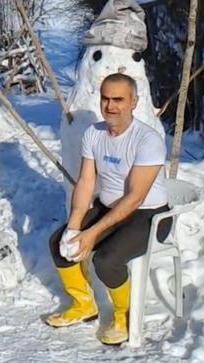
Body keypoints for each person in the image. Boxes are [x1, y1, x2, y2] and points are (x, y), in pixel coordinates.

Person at [46, 73, 171, 345]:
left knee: (106, 260)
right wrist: (75, 225)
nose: (110, 105)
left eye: (119, 99)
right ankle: (83, 304)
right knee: (60, 243)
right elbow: (86, 181)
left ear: (134, 102)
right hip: (108, 208)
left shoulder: (146, 140)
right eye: (105, 98)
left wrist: (94, 234)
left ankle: (124, 315)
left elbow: (136, 197)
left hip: (150, 215)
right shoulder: (94, 133)